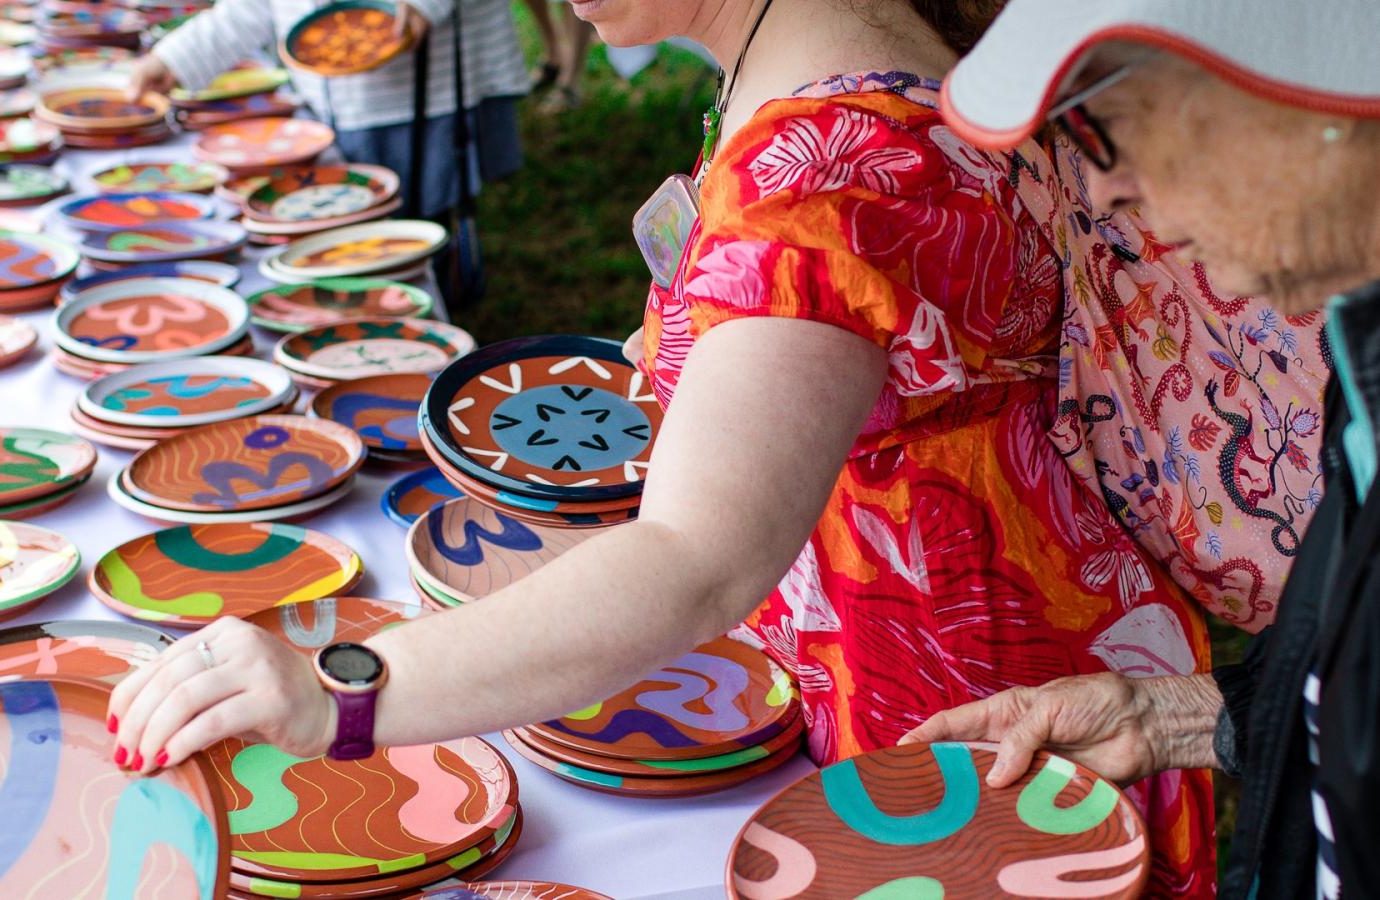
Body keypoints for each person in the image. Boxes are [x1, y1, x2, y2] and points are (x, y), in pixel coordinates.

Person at [108, 0, 1215, 891]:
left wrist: (343, 689)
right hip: (1005, 657)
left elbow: (700, 559)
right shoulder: (858, 51)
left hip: (970, 736)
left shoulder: (816, 174)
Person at [900, 1, 1380, 897]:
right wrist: (1170, 719)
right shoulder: (1362, 356)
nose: (1105, 190)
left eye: (1101, 122)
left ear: (1310, 95)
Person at [129, 0, 530, 219]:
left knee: (419, 207)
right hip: (327, 94)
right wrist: (176, 59)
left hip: (420, 95)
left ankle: (430, 289)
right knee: (349, 206)